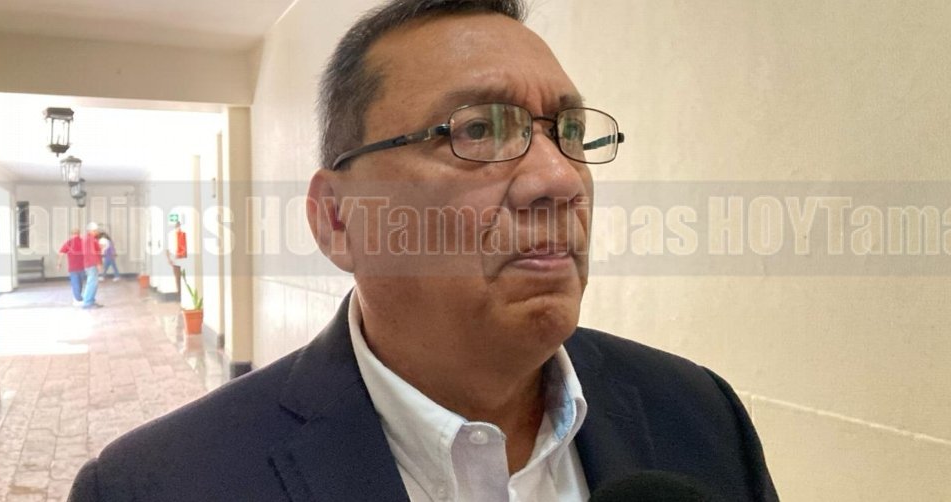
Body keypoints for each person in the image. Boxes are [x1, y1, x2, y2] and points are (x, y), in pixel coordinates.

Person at [69, 1, 778, 501]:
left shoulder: (698, 415)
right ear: (336, 219)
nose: (561, 179)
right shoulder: (158, 484)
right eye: (478, 131)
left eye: (567, 131)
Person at [56, 227, 86, 306]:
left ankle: (77, 299)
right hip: (82, 267)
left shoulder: (69, 243)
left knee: (75, 283)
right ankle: (78, 298)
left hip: (73, 267)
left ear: (71, 234)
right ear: (79, 233)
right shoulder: (83, 242)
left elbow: (61, 254)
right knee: (80, 284)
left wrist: (59, 264)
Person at [80, 222, 103, 309]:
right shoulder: (89, 239)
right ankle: (88, 302)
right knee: (92, 283)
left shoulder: (90, 239)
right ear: (90, 231)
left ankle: (90, 301)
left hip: (90, 263)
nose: (97, 232)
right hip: (91, 264)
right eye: (95, 230)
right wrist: (98, 263)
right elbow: (92, 252)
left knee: (93, 282)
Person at [165, 220, 187, 302]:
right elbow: (167, 248)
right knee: (178, 277)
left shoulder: (184, 234)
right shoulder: (171, 235)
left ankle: (182, 295)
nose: (178, 228)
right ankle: (180, 294)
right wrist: (169, 259)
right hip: (175, 258)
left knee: (182, 277)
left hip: (182, 257)